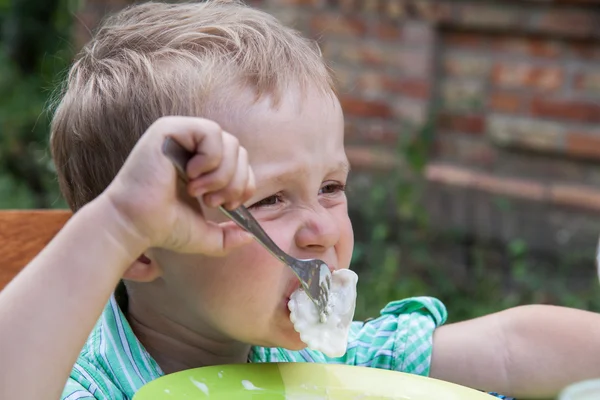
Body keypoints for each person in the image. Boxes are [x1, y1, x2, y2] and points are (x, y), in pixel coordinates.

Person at [1, 2, 599, 399]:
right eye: (269, 200)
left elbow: (506, 349)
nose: (321, 230)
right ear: (141, 250)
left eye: (331, 188)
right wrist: (115, 225)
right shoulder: (82, 384)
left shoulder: (326, 367)